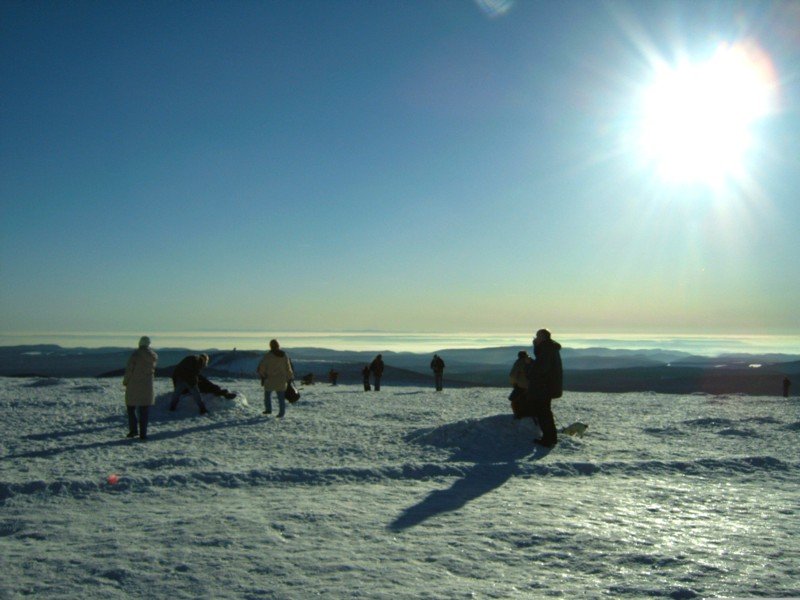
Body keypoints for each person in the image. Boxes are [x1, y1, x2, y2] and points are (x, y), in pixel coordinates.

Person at [524, 329, 563, 448]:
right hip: (548, 386)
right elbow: (542, 365)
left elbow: (541, 369)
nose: (535, 338)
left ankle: (548, 439)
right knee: (545, 412)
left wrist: (530, 365)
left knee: (543, 413)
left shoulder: (546, 349)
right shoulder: (550, 348)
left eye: (537, 336)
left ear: (543, 337)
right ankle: (551, 438)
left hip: (543, 387)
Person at [123, 336, 157, 440]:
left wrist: (125, 381)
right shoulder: (153, 356)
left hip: (134, 385)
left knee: (131, 408)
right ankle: (143, 434)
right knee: (144, 411)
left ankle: (133, 430)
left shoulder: (135, 355)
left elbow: (129, 370)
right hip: (147, 387)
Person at [257, 339, 294, 418]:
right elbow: (288, 367)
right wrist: (290, 377)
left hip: (270, 379)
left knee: (267, 395)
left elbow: (262, 367)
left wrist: (263, 376)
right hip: (281, 379)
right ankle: (281, 413)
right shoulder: (284, 355)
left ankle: (268, 409)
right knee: (281, 397)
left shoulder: (268, 356)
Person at [508, 350, 530, 419]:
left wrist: (514, 384)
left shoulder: (519, 363)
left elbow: (512, 375)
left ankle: (518, 415)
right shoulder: (531, 362)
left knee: (513, 401)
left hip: (521, 386)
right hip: (532, 387)